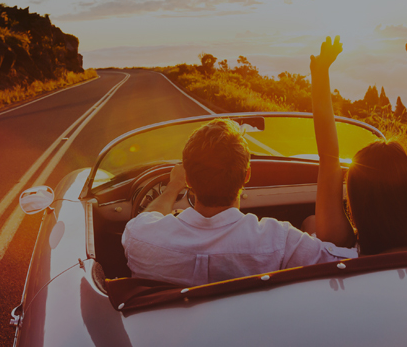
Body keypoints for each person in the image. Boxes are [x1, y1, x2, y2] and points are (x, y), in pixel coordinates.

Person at [122, 118, 357, 286]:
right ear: (247, 175)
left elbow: (147, 218)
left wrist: (173, 187)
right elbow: (349, 261)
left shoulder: (139, 237)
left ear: (189, 180)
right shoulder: (279, 241)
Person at [310, 31, 407, 254]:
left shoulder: (341, 243)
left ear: (354, 197)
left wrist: (320, 73)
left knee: (309, 223)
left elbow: (328, 158)